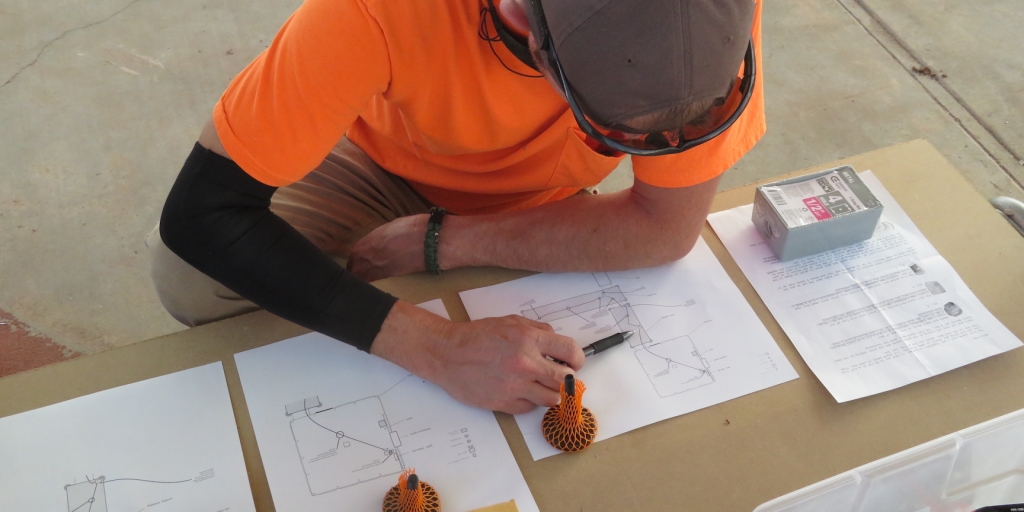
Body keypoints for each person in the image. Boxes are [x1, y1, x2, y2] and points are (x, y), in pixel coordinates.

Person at [150, 0, 765, 414]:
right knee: (195, 282)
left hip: (544, 200)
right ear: (518, 13)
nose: (630, 148)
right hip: (381, 159)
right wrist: (431, 345)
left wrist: (442, 240)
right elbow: (201, 215)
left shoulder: (705, 15)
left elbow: (665, 227)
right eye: (608, 130)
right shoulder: (376, 10)